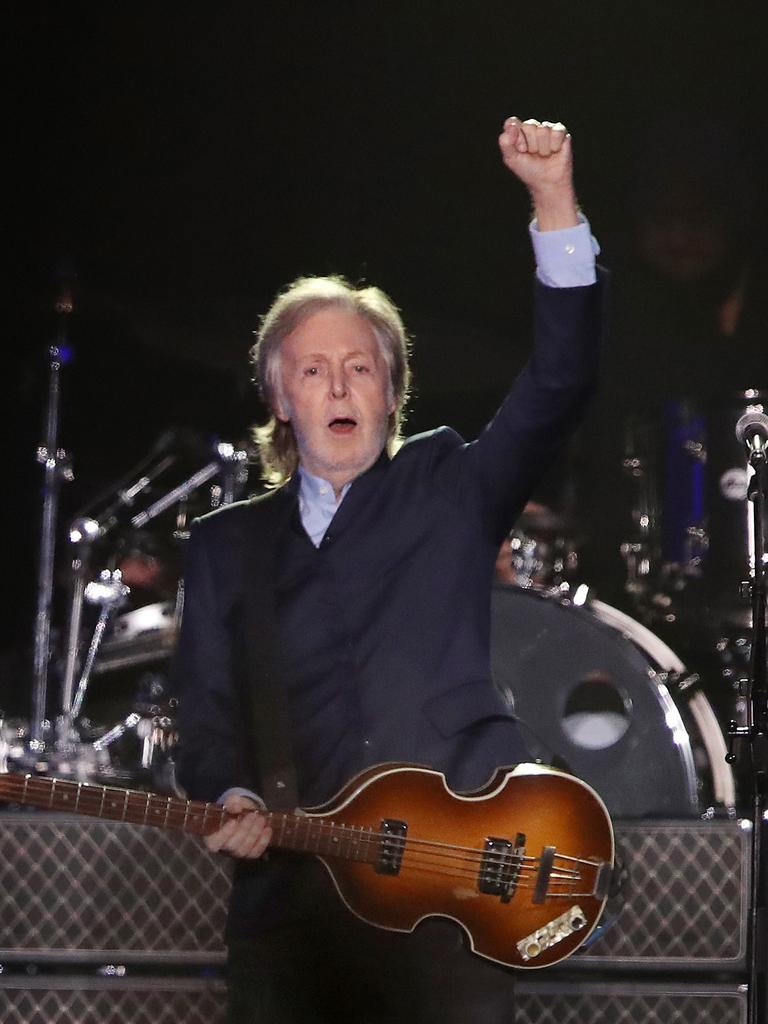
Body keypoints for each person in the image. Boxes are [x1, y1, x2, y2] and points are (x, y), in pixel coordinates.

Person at [174, 115, 604, 1023]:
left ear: (391, 391)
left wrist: (552, 199)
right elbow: (206, 723)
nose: (338, 387)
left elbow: (559, 382)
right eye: (315, 371)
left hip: (449, 903)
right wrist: (232, 792)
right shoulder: (225, 546)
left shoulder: (450, 486)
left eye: (360, 368)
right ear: (280, 401)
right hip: (295, 915)